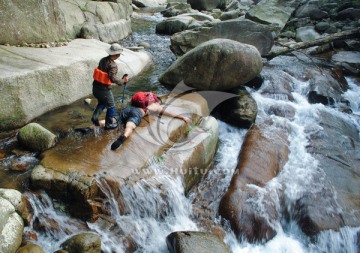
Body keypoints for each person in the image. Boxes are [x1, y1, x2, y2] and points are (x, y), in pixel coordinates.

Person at [108, 91, 191, 150]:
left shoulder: (142, 99)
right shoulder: (157, 106)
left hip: (128, 109)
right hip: (137, 113)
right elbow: (169, 113)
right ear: (157, 101)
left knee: (114, 119)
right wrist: (182, 117)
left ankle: (100, 123)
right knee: (130, 126)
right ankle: (123, 137)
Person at [91, 43, 129, 130]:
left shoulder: (103, 60)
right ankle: (108, 124)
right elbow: (113, 79)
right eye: (119, 54)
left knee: (103, 103)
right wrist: (123, 81)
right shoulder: (113, 65)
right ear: (117, 55)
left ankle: (94, 117)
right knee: (111, 106)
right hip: (104, 90)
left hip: (95, 88)